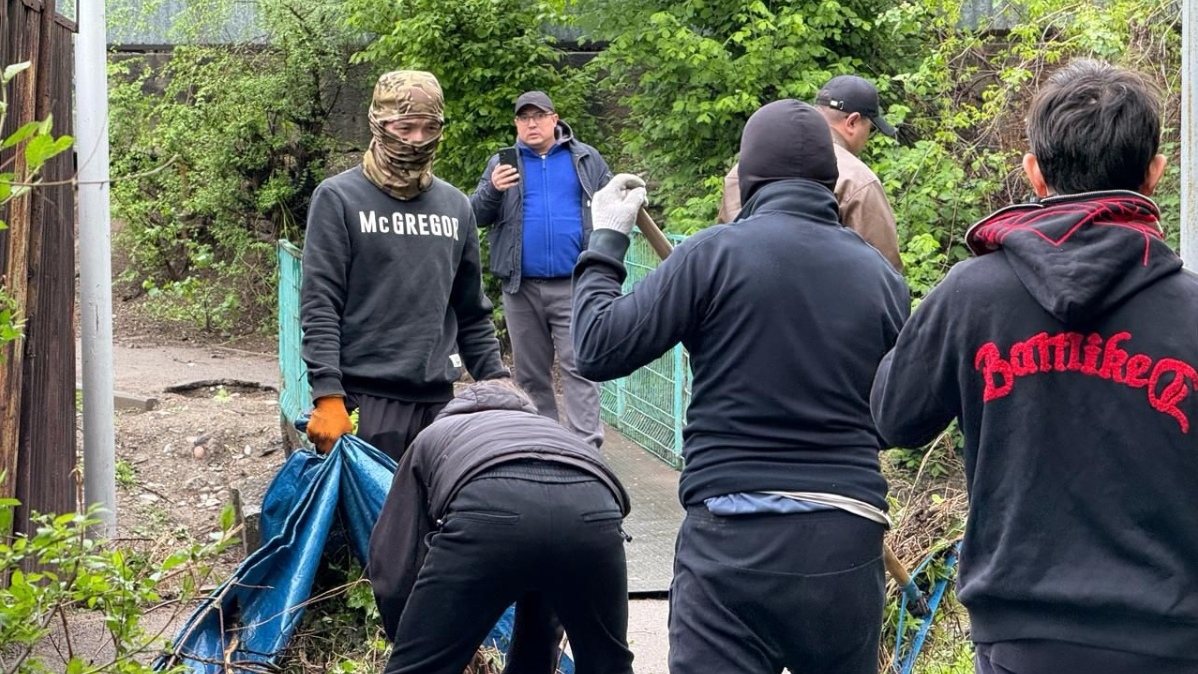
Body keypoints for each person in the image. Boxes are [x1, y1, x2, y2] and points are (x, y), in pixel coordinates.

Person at [870, 59, 1198, 674]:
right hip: (1171, 636)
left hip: (1020, 637)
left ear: (1034, 172)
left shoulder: (971, 296)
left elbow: (892, 418)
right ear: (1155, 173)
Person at [573, 100, 910, 674]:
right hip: (845, 535)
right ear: (831, 181)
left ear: (748, 176)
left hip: (732, 538)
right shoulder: (880, 277)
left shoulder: (711, 256)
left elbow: (598, 347)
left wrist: (607, 240)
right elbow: (898, 412)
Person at [301, 71, 508, 460]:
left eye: (429, 127)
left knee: (438, 519)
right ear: (378, 124)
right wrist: (327, 393)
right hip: (365, 403)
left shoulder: (455, 206)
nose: (417, 139)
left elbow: (470, 310)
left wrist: (498, 384)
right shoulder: (338, 198)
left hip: (441, 406)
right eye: (405, 127)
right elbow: (320, 304)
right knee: (372, 521)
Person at [367, 378, 635, 674]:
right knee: (607, 664)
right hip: (593, 514)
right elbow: (553, 559)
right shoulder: (556, 431)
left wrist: (412, 637)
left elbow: (396, 557)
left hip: (486, 509)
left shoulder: (434, 434)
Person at [470, 91, 613, 448]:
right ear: (516, 124)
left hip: (575, 283)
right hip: (521, 288)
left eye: (538, 116)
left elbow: (612, 209)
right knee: (531, 375)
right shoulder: (502, 163)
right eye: (523, 118)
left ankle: (585, 449)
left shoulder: (585, 159)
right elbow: (474, 215)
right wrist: (493, 189)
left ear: (555, 119)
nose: (531, 124)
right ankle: (545, 447)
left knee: (580, 367)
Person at [716, 75, 904, 271]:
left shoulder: (740, 170)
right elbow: (884, 270)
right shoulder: (858, 180)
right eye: (871, 129)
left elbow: (725, 242)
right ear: (852, 122)